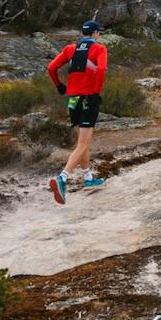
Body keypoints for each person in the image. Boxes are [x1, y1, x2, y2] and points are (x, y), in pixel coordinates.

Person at [47, 20, 108, 201]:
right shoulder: (99, 49)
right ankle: (62, 178)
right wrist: (95, 90)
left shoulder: (70, 49)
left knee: (83, 140)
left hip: (73, 99)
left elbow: (51, 68)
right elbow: (102, 69)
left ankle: (88, 178)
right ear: (95, 33)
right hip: (89, 98)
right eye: (99, 33)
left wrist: (59, 86)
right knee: (83, 143)